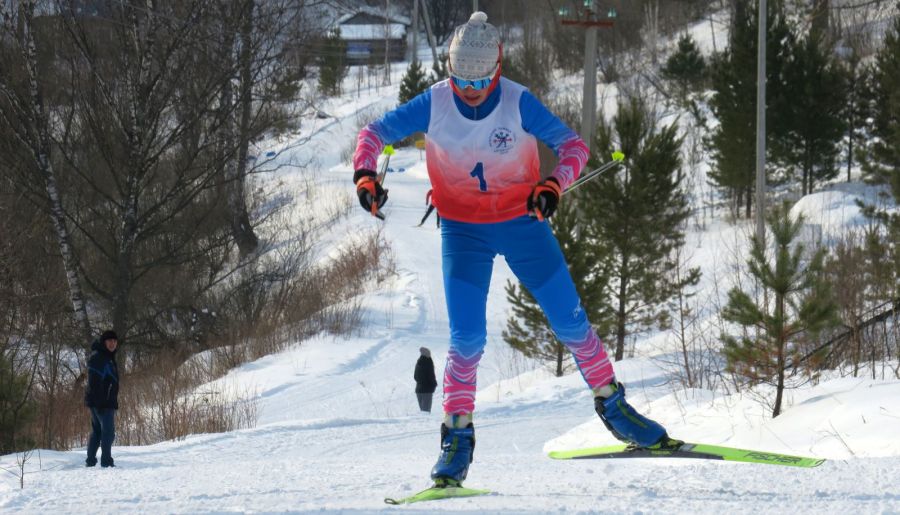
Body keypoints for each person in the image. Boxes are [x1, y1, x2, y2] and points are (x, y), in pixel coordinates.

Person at [352, 12, 677, 487]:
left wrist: (552, 185)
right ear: (450, 70)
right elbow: (372, 135)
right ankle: (457, 437)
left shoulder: (518, 102)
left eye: (482, 80)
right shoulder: (435, 102)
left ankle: (615, 407)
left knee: (570, 322)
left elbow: (574, 148)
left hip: (522, 224)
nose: (472, 90)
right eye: (462, 80)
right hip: (463, 230)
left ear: (498, 68)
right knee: (467, 340)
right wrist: (366, 176)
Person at [84, 330, 120, 468]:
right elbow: (94, 382)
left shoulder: (107, 356)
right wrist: (100, 401)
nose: (112, 343)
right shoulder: (100, 358)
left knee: (98, 431)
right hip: (102, 402)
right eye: (109, 341)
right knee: (108, 432)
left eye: (114, 341)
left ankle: (91, 461)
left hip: (101, 401)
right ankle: (106, 462)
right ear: (104, 342)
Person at [414, 347, 438, 412]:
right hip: (427, 391)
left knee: (423, 412)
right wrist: (434, 385)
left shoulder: (418, 362)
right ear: (427, 354)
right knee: (426, 413)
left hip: (418, 390)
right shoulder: (428, 361)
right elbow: (431, 376)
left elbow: (415, 376)